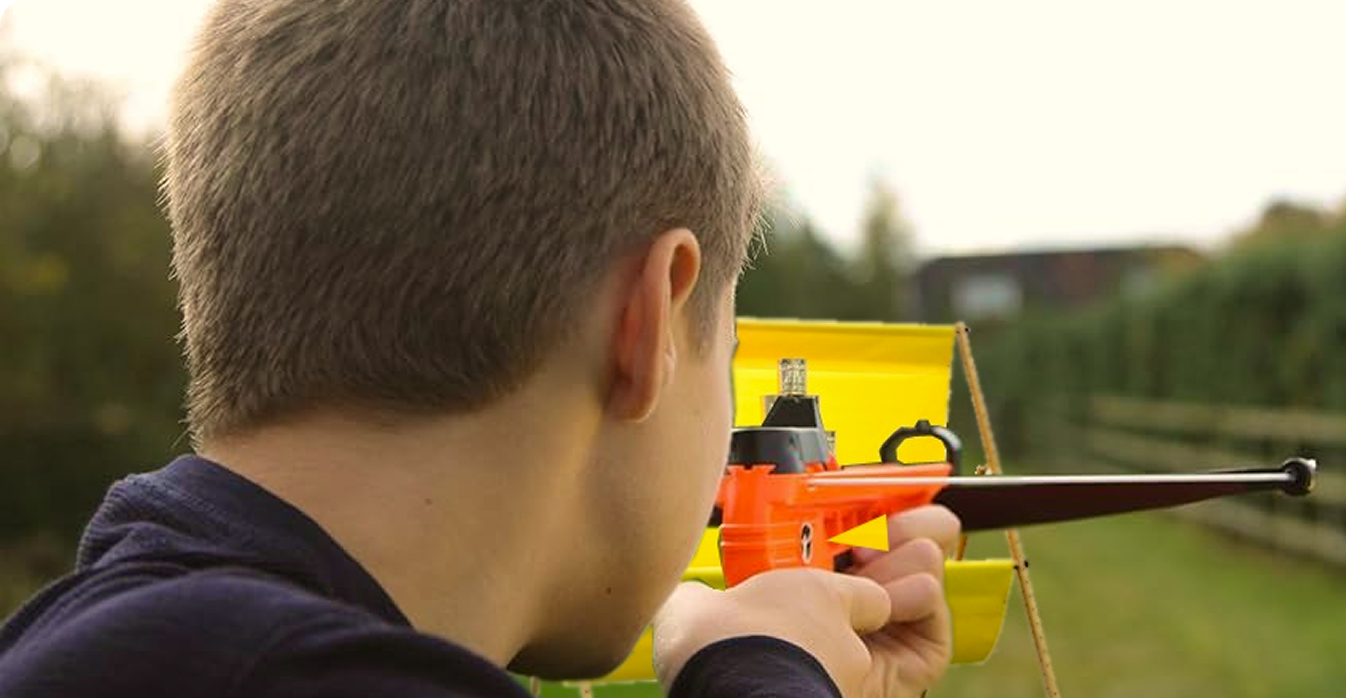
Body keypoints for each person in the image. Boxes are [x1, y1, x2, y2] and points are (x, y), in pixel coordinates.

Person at [0, 0, 960, 696]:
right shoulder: (293, 677)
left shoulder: (138, 638)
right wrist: (762, 671)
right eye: (730, 345)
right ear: (652, 322)